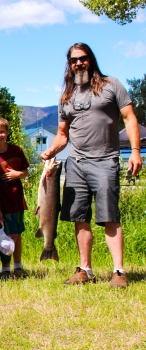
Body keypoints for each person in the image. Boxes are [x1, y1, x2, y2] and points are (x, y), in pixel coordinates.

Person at [41, 42, 142, 288]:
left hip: (105, 160)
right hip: (75, 162)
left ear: (91, 59)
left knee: (109, 216)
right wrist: (50, 151)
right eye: (74, 60)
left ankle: (118, 271)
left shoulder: (112, 85)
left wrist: (136, 152)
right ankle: (85, 269)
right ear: (69, 64)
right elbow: (63, 135)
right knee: (79, 217)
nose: (78, 63)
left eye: (83, 58)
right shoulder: (66, 96)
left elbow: (129, 118)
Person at [0, 117, 29, 279]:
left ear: (8, 133)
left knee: (17, 234)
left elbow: (25, 171)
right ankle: (5, 269)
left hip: (17, 200)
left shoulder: (16, 150)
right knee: (8, 236)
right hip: (3, 202)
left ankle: (17, 266)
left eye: (2, 131)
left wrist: (18, 174)